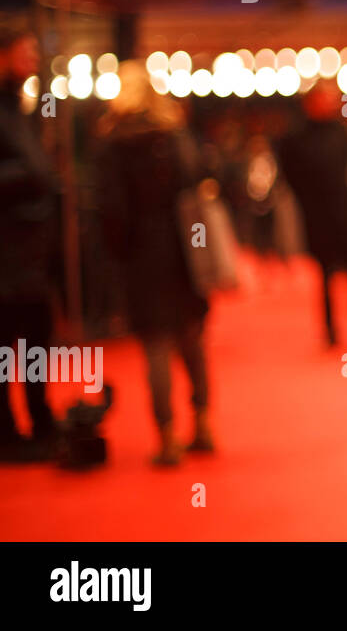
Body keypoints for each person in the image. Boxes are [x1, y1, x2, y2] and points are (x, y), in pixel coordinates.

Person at [97, 61, 213, 466]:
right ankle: (203, 422)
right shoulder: (173, 134)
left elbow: (111, 211)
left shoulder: (113, 142)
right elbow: (196, 179)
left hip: (141, 255)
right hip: (183, 248)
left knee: (156, 346)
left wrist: (117, 255)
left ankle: (167, 437)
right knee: (191, 339)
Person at [0, 20, 61, 461]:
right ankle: (6, 432)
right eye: (26, 53)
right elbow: (32, 171)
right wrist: (34, 176)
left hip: (31, 254)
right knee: (5, 352)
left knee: (37, 343)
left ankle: (41, 421)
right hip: (6, 255)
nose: (33, 62)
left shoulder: (20, 110)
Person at [277, 80, 347, 347]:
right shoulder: (294, 137)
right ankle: (331, 331)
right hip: (316, 214)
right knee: (325, 276)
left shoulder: (341, 132)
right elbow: (290, 176)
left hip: (344, 210)